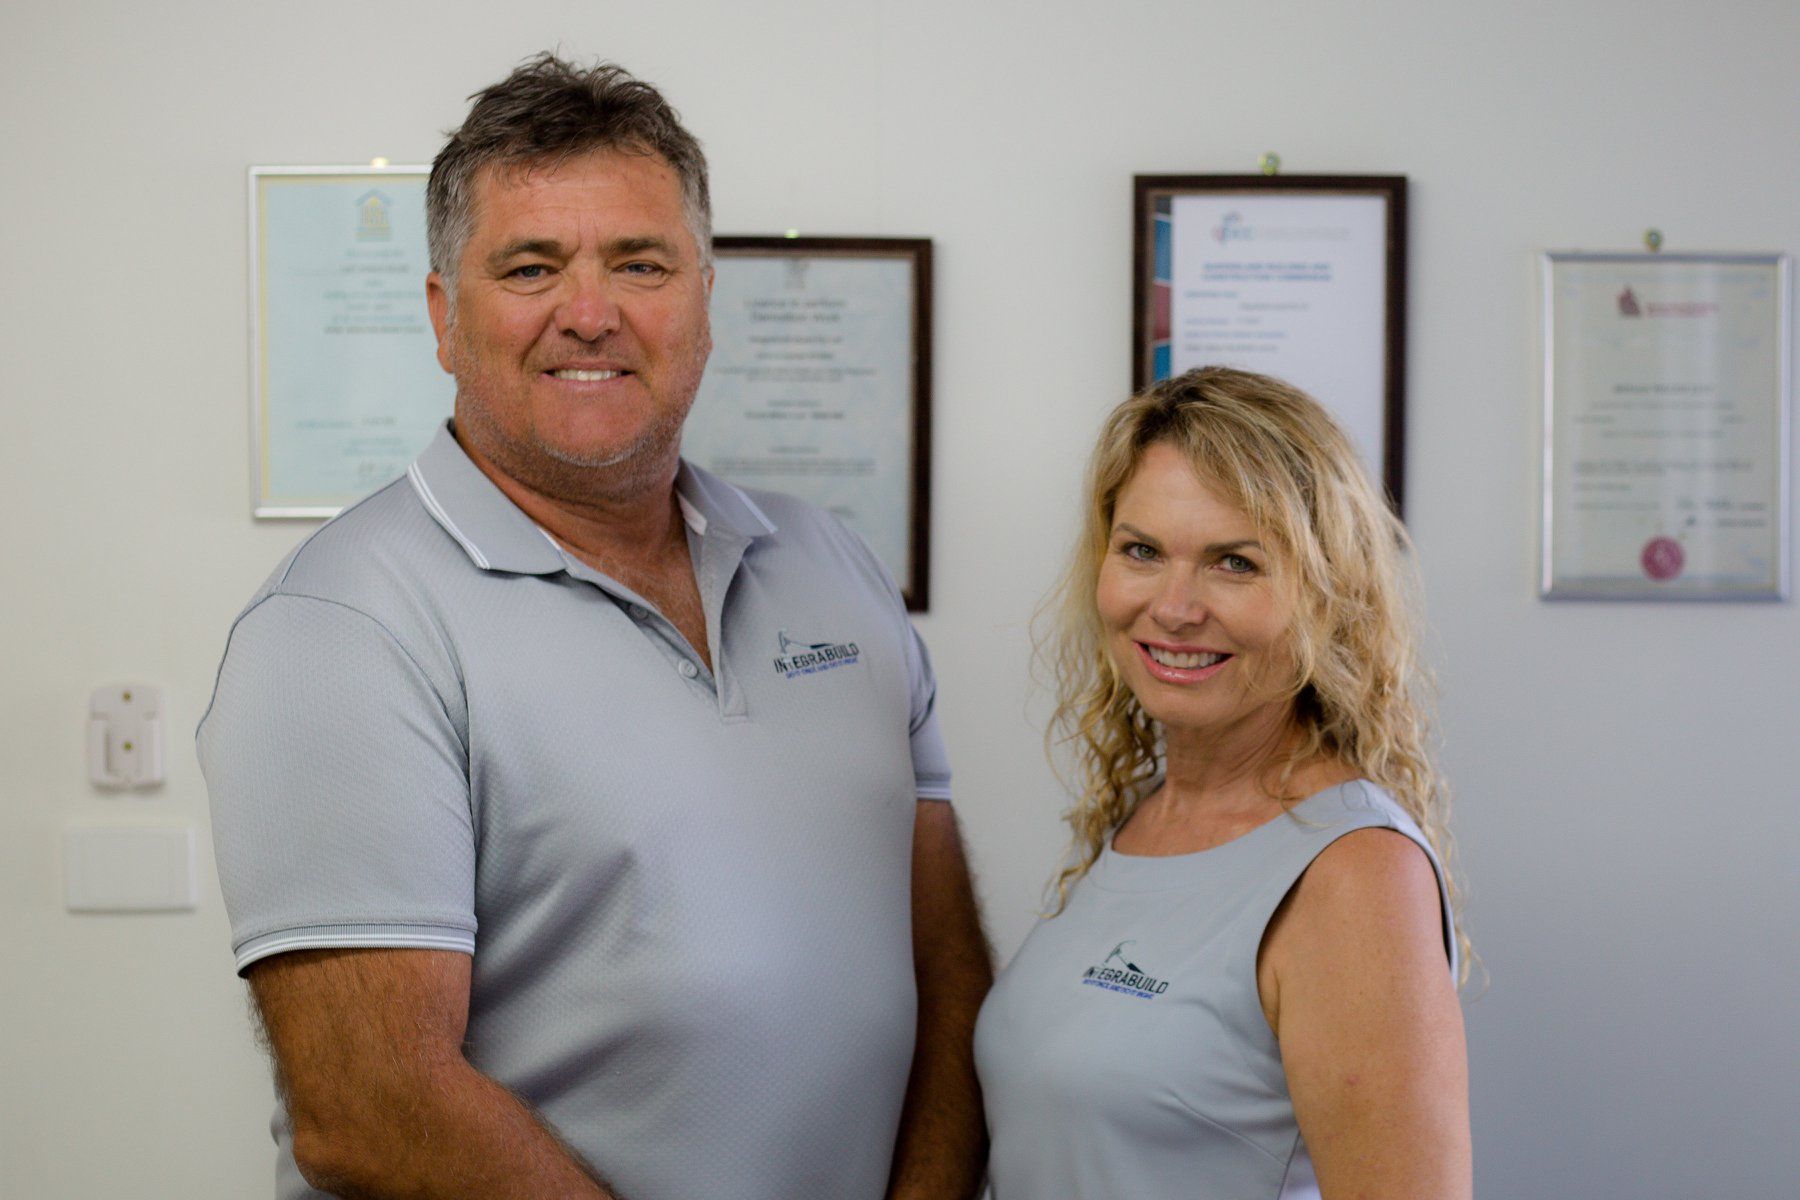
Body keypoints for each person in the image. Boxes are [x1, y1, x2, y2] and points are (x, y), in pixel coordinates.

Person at [198, 54, 990, 1200]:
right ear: (442, 316)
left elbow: (945, 964)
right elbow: (367, 1110)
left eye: (640, 262)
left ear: (706, 297)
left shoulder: (833, 569)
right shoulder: (342, 628)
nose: (589, 313)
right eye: (531, 266)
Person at [973, 366, 1471, 1199]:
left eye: (1234, 563)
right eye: (1142, 551)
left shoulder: (1354, 876)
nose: (1173, 607)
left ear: (1327, 594)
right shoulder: (1147, 819)